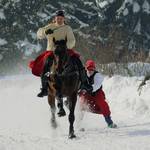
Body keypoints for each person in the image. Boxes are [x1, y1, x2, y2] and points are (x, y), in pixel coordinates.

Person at [36, 10, 92, 98]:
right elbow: (39, 34)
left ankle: (84, 83)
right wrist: (44, 32)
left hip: (65, 50)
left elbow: (72, 40)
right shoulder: (50, 26)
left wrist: (65, 46)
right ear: (55, 19)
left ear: (64, 19)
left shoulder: (67, 28)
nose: (59, 20)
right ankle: (44, 89)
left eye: (61, 18)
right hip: (52, 51)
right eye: (58, 18)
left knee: (78, 62)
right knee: (45, 66)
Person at [79, 60, 117, 128]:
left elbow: (96, 86)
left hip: (97, 93)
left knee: (102, 103)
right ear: (86, 68)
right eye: (89, 68)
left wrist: (87, 88)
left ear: (94, 69)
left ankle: (109, 122)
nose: (90, 70)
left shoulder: (98, 75)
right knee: (81, 103)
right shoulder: (83, 75)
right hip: (86, 94)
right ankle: (78, 124)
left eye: (92, 69)